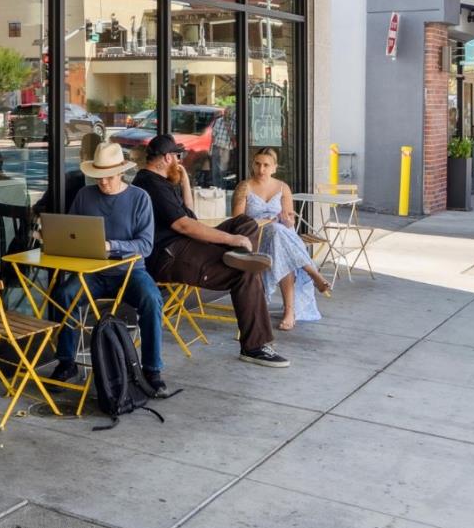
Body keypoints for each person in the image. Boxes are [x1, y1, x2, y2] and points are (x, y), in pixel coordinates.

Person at [133, 134, 288, 368]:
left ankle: (242, 257)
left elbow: (189, 215)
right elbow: (184, 226)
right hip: (170, 255)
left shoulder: (163, 182)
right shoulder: (151, 185)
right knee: (243, 274)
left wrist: (184, 181)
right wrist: (230, 239)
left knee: (245, 223)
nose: (180, 160)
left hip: (185, 245)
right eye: (177, 156)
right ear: (166, 158)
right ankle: (254, 347)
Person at [46, 143, 167, 394]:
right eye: (99, 178)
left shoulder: (139, 198)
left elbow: (145, 245)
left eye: (109, 177)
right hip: (93, 272)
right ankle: (67, 362)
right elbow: (72, 233)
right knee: (64, 295)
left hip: (130, 272)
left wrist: (110, 245)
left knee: (152, 299)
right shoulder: (85, 196)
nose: (103, 183)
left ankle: (152, 369)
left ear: (121, 173)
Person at [232, 148, 331, 331]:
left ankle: (290, 310)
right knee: (279, 236)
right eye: (257, 164)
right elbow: (237, 221)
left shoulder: (283, 187)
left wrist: (287, 219)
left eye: (266, 165)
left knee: (280, 239)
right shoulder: (244, 187)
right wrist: (266, 221)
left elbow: (289, 222)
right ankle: (311, 273)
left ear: (274, 168)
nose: (261, 169)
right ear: (253, 164)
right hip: (254, 237)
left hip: (281, 236)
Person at [33, 132, 102, 215]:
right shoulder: (69, 180)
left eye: (92, 155)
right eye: (89, 155)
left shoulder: (68, 180)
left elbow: (40, 208)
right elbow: (40, 208)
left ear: (81, 155)